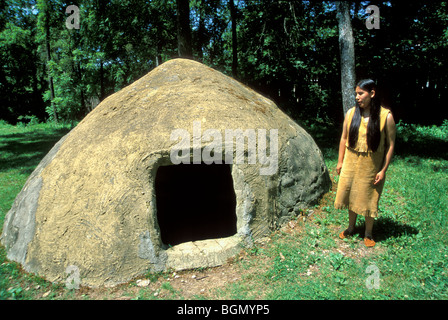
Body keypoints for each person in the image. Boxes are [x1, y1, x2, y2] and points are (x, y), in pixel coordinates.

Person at [334, 79, 396, 247]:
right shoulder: (351, 113)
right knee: (351, 193)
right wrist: (340, 162)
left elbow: (390, 145)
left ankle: (368, 233)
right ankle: (351, 227)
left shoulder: (386, 117)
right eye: (356, 94)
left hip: (371, 165)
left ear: (372, 93)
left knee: (369, 196)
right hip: (351, 162)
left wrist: (383, 170)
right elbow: (343, 138)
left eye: (361, 93)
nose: (357, 97)